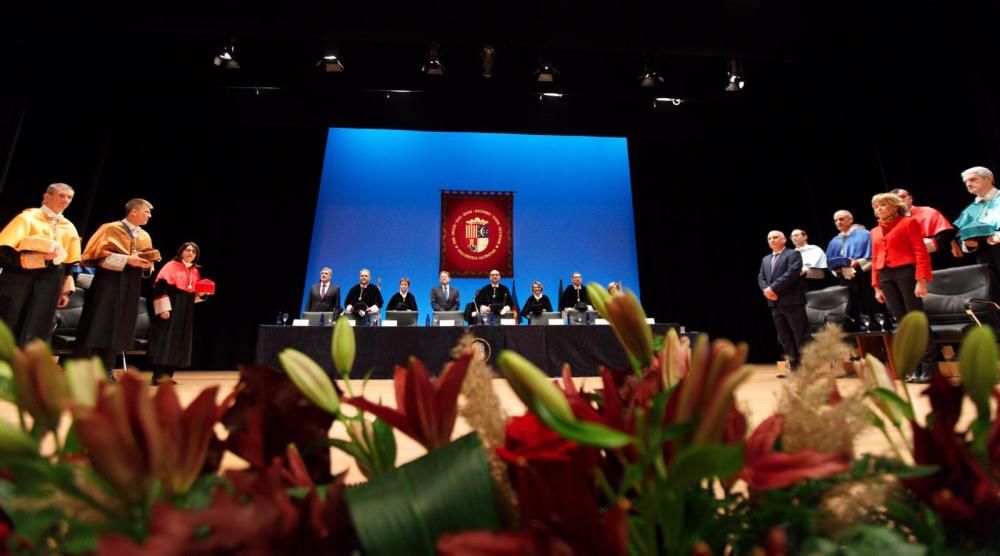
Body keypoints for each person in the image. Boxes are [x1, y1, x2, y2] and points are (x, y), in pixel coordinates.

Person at [75, 198, 158, 380]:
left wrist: (146, 265)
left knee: (120, 326)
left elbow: (148, 264)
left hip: (132, 284)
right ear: (134, 211)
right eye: (147, 212)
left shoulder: (144, 235)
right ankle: (81, 368)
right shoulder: (110, 228)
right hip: (108, 282)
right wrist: (127, 260)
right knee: (97, 322)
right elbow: (94, 257)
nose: (149, 216)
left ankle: (107, 370)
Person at [0, 183, 82, 345]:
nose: (65, 200)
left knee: (37, 327)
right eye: (61, 195)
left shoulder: (69, 227)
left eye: (69, 197)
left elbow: (69, 263)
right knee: (11, 322)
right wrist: (40, 258)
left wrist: (64, 292)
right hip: (20, 280)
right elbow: (3, 251)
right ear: (46, 197)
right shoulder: (27, 218)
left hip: (50, 284)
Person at [870, 193, 939, 383]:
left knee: (916, 320)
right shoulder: (874, 231)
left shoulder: (909, 223)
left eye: (883, 205)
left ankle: (929, 367)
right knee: (902, 324)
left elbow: (920, 252)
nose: (879, 209)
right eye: (876, 206)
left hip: (906, 274)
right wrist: (876, 286)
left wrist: (922, 280)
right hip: (885, 276)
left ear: (894, 206)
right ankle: (915, 367)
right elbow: (875, 259)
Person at [147, 242, 212, 386]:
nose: (190, 253)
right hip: (171, 305)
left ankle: (168, 376)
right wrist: (163, 308)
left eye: (193, 252)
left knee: (178, 340)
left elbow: (194, 294)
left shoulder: (195, 271)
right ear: (181, 252)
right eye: (187, 250)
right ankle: (157, 376)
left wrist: (202, 294)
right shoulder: (170, 266)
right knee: (165, 340)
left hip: (186, 308)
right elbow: (159, 288)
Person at [758, 230, 810, 373]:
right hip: (774, 303)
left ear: (784, 239)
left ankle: (807, 364)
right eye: (769, 238)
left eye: (775, 237)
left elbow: (792, 274)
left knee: (800, 334)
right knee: (784, 336)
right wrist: (767, 291)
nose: (772, 240)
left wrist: (772, 289)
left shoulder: (793, 254)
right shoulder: (766, 259)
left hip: (792, 301)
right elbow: (761, 278)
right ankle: (793, 365)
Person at [953, 166, 1000, 299]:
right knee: (994, 296)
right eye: (966, 182)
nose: (968, 184)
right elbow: (964, 239)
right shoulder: (970, 210)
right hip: (987, 260)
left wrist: (998, 236)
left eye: (973, 179)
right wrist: (968, 245)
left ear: (989, 179)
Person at [825, 210, 875, 328]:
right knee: (852, 307)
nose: (838, 222)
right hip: (845, 278)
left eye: (841, 219)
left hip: (864, 275)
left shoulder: (864, 234)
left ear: (850, 220)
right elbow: (830, 262)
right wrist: (835, 270)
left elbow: (874, 255)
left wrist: (858, 262)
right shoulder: (834, 241)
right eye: (836, 220)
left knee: (870, 305)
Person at [890, 188, 960, 265]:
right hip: (909, 264)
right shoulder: (891, 222)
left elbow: (945, 236)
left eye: (903, 197)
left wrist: (919, 249)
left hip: (936, 260)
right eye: (896, 200)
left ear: (910, 198)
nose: (900, 200)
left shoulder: (928, 211)